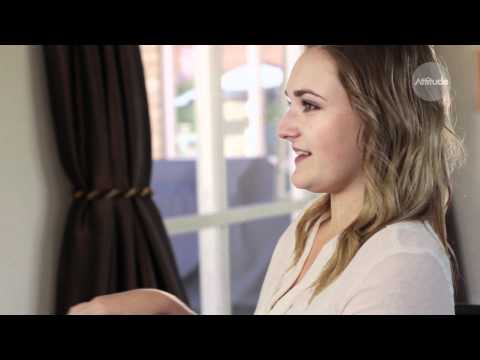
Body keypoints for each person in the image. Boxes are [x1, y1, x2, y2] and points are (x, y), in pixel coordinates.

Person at [68, 45, 465, 315]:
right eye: (289, 104)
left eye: (309, 105)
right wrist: (169, 307)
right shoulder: (308, 229)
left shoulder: (402, 262)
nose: (285, 128)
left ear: (382, 117)